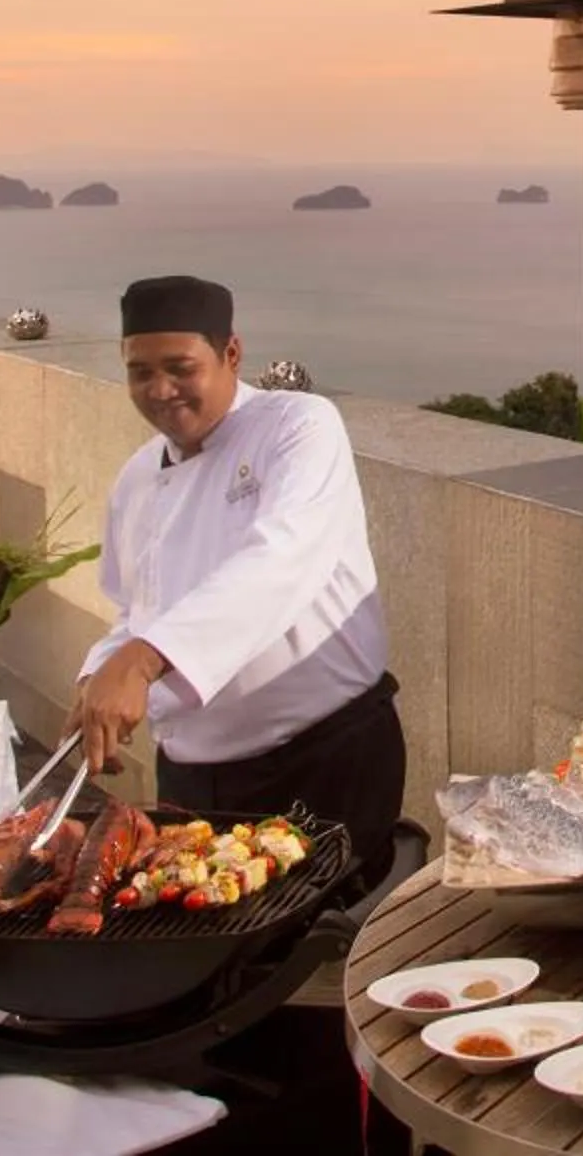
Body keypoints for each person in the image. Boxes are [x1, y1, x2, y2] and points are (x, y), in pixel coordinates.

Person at [73, 274, 406, 887]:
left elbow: (281, 557)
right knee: (202, 939)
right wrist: (99, 675)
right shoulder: (136, 479)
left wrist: (144, 663)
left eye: (180, 367)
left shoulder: (298, 425)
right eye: (140, 372)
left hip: (320, 760)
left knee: (312, 944)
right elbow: (133, 610)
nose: (160, 389)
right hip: (194, 778)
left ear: (231, 354)